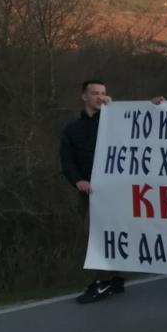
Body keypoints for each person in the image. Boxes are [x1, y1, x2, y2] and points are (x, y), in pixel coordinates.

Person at [60, 79, 125, 304]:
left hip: (116, 192)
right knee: (94, 236)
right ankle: (110, 278)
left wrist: (154, 106)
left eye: (103, 93)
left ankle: (106, 281)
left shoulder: (113, 119)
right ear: (84, 96)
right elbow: (67, 160)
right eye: (95, 93)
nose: (100, 97)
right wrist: (78, 180)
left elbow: (139, 128)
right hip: (89, 192)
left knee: (106, 235)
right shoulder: (72, 126)